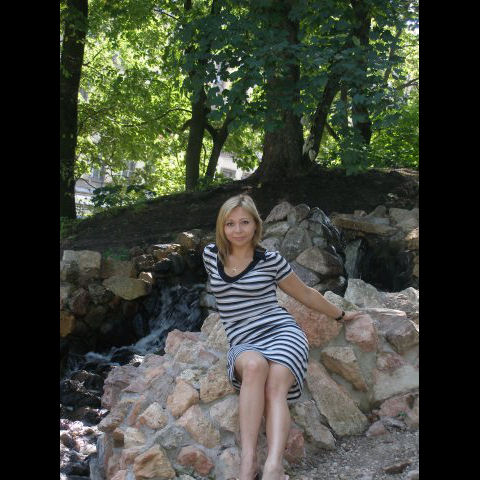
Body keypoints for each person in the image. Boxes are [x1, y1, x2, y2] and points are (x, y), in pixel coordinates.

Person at [202, 194, 362, 480]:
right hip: (243, 339)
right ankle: (248, 462)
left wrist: (340, 315)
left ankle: (273, 465)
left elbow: (305, 294)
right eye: (230, 223)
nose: (237, 230)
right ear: (221, 227)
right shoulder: (211, 255)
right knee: (254, 367)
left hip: (282, 333)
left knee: (276, 385)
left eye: (244, 222)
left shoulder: (270, 260)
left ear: (256, 225)